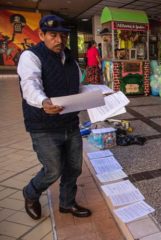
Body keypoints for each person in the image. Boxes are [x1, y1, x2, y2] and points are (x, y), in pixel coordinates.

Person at [17, 15, 91, 220]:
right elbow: (30, 85)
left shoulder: (70, 59)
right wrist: (43, 102)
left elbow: (76, 88)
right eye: (53, 35)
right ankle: (30, 193)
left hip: (70, 123)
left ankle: (67, 203)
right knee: (53, 169)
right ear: (41, 35)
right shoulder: (31, 56)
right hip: (44, 125)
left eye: (63, 36)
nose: (59, 40)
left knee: (74, 167)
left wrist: (99, 94)